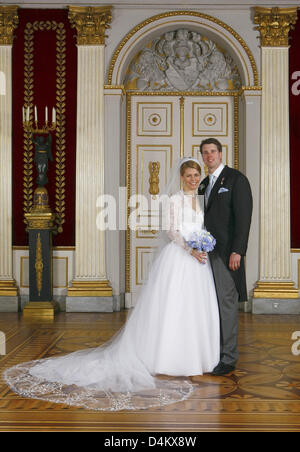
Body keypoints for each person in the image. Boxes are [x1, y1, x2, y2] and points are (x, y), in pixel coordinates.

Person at [3, 158, 220, 411]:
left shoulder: (202, 199)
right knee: (173, 308)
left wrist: (202, 246)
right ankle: (169, 358)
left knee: (194, 309)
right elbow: (171, 231)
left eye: (196, 175)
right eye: (189, 175)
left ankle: (197, 358)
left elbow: (201, 227)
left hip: (198, 263)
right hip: (180, 258)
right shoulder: (174, 200)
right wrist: (190, 247)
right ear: (181, 177)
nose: (193, 179)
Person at [198, 138, 253, 376]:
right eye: (205, 153)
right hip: (204, 254)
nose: (209, 156)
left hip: (226, 252)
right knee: (211, 304)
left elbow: (244, 218)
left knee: (227, 304)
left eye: (213, 152)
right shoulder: (203, 184)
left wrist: (237, 250)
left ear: (221, 154)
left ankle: (229, 358)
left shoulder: (236, 179)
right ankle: (213, 352)